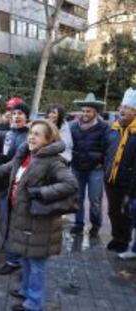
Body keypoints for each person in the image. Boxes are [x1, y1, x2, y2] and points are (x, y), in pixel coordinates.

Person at [0, 120, 78, 311]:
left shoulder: (53, 161)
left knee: (36, 264)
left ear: (48, 139)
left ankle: (33, 304)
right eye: (31, 133)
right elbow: (1, 170)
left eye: (37, 134)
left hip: (40, 221)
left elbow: (70, 184)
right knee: (26, 258)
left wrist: (42, 192)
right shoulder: (25, 155)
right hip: (25, 218)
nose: (31, 137)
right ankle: (27, 292)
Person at [0, 101, 30, 276]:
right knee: (5, 220)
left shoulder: (31, 136)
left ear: (27, 117)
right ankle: (8, 254)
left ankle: (16, 259)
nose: (16, 117)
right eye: (14, 114)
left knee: (18, 224)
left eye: (20, 114)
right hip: (4, 185)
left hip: (21, 188)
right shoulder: (5, 135)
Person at [70, 93, 108, 237]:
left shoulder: (104, 127)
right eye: (83, 111)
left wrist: (100, 161)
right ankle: (78, 224)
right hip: (77, 167)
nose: (85, 114)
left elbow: (107, 148)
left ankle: (96, 225)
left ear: (95, 112)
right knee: (77, 198)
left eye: (88, 111)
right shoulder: (73, 126)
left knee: (95, 200)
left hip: (95, 169)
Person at [105, 88, 136, 256]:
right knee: (113, 211)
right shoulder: (113, 129)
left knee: (126, 213)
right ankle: (116, 237)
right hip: (110, 178)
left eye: (127, 107)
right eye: (121, 107)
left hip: (128, 182)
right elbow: (106, 151)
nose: (121, 110)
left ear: (135, 112)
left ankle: (124, 240)